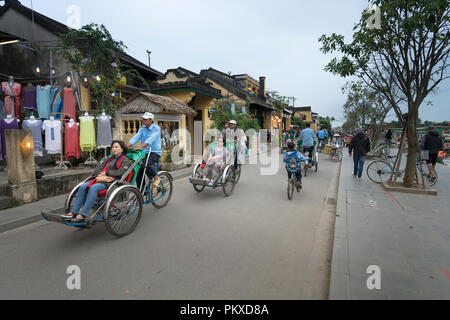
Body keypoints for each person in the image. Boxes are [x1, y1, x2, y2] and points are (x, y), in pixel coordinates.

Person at [65, 140, 131, 222]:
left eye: (116, 147)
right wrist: (99, 174)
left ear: (122, 149)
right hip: (101, 179)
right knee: (82, 186)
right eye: (113, 147)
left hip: (112, 182)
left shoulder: (125, 160)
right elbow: (100, 169)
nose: (114, 149)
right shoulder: (109, 159)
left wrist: (107, 173)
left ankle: (83, 213)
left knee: (93, 188)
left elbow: (122, 172)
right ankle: (74, 211)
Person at [127, 112, 162, 190]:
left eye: (145, 119)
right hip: (144, 152)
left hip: (155, 152)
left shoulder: (156, 128)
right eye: (143, 119)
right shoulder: (142, 129)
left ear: (150, 120)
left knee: (145, 164)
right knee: (138, 169)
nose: (143, 120)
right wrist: (126, 146)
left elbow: (151, 139)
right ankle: (142, 190)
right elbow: (136, 137)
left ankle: (156, 177)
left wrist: (141, 146)